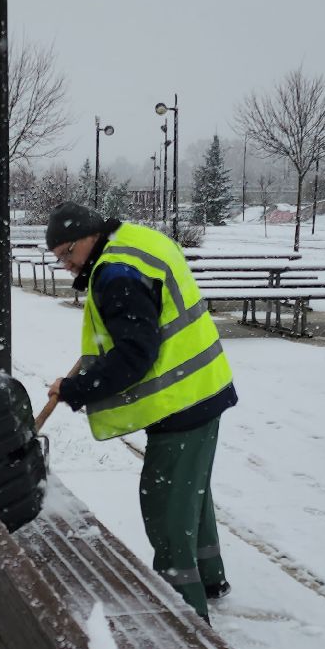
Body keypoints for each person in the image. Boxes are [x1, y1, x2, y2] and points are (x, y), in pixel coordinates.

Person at [42, 202, 237, 622]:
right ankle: (209, 578)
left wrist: (77, 389)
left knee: (166, 507)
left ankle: (183, 616)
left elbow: (134, 356)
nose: (66, 266)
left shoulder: (116, 275)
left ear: (86, 239)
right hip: (203, 387)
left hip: (181, 401)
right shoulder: (132, 241)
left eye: (66, 254)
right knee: (191, 496)